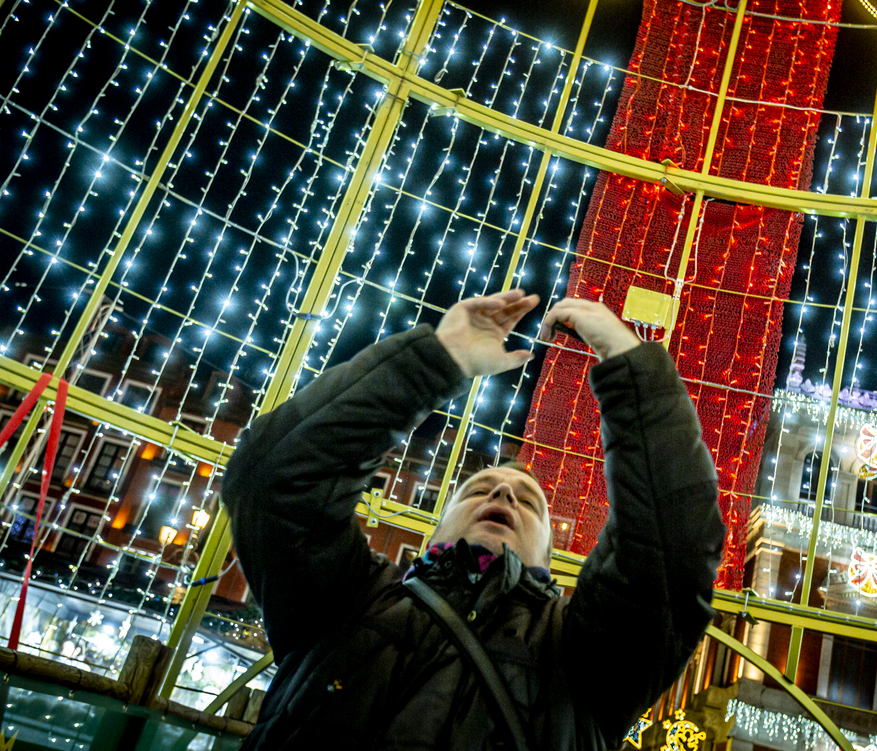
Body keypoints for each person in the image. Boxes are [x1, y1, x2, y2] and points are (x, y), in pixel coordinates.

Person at [221, 289, 726, 749]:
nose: (505, 488)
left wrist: (629, 367)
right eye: (480, 489)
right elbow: (272, 481)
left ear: (548, 556)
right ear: (435, 530)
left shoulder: (583, 657)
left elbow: (673, 553)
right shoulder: (347, 598)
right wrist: (434, 362)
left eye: (529, 502)